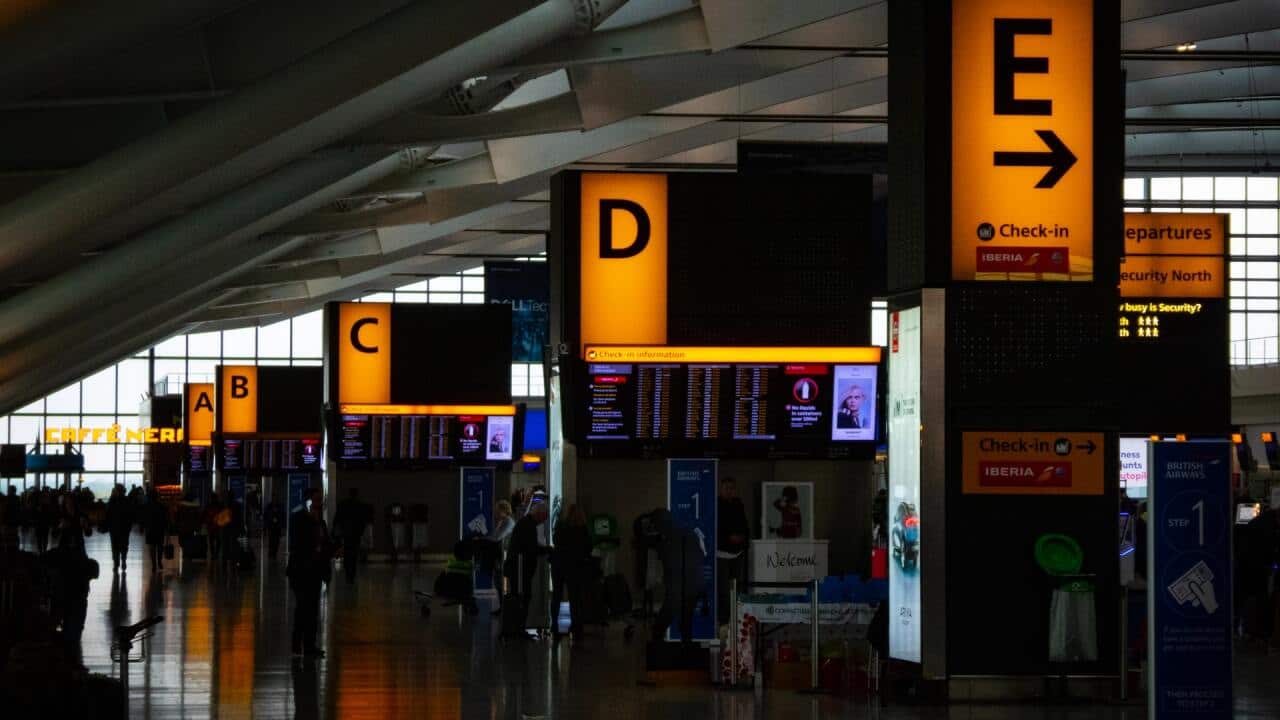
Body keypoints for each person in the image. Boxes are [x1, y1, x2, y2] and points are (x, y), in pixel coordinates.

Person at [287, 489, 333, 657]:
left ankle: (308, 645)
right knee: (303, 608)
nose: (319, 505)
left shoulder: (320, 523)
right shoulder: (299, 519)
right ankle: (299, 644)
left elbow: (325, 545)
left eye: (320, 502)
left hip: (314, 572)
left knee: (311, 610)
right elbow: (298, 545)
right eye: (316, 501)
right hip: (301, 572)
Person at [651, 508, 706, 645]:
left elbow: (668, 565)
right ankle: (687, 659)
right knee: (685, 625)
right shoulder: (689, 533)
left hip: (678, 589)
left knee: (659, 627)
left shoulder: (665, 542)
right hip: (694, 587)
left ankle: (660, 659)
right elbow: (699, 557)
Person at [504, 495, 550, 632]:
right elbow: (530, 548)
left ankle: (519, 627)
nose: (545, 520)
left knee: (522, 597)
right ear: (539, 514)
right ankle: (519, 628)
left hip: (519, 569)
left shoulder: (526, 523)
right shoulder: (527, 525)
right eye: (545, 516)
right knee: (522, 598)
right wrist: (547, 550)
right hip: (519, 570)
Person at [551, 504, 591, 638]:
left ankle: (554, 626)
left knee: (556, 595)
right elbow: (588, 548)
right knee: (575, 597)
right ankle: (576, 625)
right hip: (574, 566)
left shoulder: (562, 525)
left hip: (558, 564)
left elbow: (555, 541)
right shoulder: (582, 529)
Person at [716, 476, 750, 626]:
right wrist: (729, 538)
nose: (730, 491)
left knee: (738, 586)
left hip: (738, 551)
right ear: (721, 489)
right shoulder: (716, 504)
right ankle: (724, 619)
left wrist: (742, 539)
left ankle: (738, 617)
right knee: (723, 588)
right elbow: (716, 527)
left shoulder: (738, 504)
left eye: (732, 488)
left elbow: (744, 524)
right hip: (721, 552)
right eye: (726, 488)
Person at [333, 488, 371, 584]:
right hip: (356, 533)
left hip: (346, 532)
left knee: (347, 552)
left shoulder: (343, 504)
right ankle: (351, 574)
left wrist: (338, 531)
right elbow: (364, 520)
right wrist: (361, 532)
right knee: (354, 553)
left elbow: (337, 518)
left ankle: (348, 572)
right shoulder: (360, 506)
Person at [105, 484, 134, 572]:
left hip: (114, 528)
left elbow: (108, 514)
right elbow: (131, 514)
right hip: (124, 528)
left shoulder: (112, 501)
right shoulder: (127, 501)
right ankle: (123, 560)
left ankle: (116, 563)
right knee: (124, 545)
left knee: (115, 546)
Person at [144, 488, 169, 573]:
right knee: (160, 546)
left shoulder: (146, 506)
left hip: (150, 529)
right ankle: (159, 561)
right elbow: (165, 518)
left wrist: (143, 527)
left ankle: (154, 564)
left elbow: (144, 518)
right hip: (159, 528)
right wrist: (167, 527)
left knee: (152, 547)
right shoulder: (162, 506)